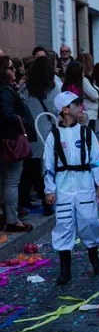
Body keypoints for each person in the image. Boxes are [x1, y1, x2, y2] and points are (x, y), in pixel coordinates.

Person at [43, 91, 99, 285]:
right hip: (63, 187)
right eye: (76, 104)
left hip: (85, 184)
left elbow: (97, 159)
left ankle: (94, 259)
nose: (80, 106)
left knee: (89, 222)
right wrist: (49, 189)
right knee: (63, 225)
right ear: (65, 109)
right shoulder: (54, 136)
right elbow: (48, 166)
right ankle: (65, 270)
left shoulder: (87, 133)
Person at [19, 56, 61, 215]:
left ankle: (21, 205)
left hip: (30, 136)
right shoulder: (53, 89)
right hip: (48, 135)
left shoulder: (24, 89)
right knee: (47, 172)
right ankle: (48, 205)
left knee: (27, 173)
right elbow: (59, 111)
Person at [0, 56, 36, 232]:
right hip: (11, 140)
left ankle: (8, 217)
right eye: (10, 68)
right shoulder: (5, 90)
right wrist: (21, 122)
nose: (14, 70)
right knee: (11, 182)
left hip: (7, 139)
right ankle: (12, 220)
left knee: (7, 182)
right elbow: (6, 113)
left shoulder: (7, 88)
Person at [78, 53, 99, 132]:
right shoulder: (83, 80)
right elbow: (95, 95)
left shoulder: (88, 79)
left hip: (90, 114)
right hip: (88, 115)